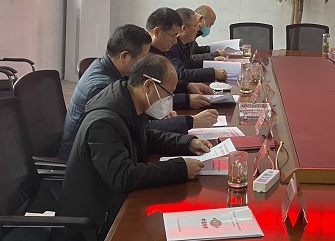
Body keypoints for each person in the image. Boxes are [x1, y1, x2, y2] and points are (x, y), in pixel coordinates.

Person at [58, 54, 212, 241]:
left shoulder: (128, 102)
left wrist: (187, 143)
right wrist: (180, 168)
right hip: (96, 224)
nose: (169, 100)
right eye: (168, 94)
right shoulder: (104, 122)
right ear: (148, 86)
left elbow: (147, 137)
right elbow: (123, 176)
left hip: (117, 204)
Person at [58, 25, 217, 162]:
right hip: (87, 166)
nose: (145, 64)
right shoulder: (102, 88)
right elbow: (138, 129)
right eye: (143, 58)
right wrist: (190, 121)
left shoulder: (111, 69)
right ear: (125, 56)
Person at [146, 7, 217, 112]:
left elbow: (163, 83)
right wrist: (186, 100)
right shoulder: (144, 56)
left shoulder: (160, 50)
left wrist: (187, 86)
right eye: (174, 35)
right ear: (157, 32)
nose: (175, 41)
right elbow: (150, 100)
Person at [167, 7, 228, 83]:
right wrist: (212, 73)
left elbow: (190, 63)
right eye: (196, 25)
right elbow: (180, 74)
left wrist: (212, 61)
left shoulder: (185, 43)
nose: (198, 29)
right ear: (184, 29)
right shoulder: (171, 46)